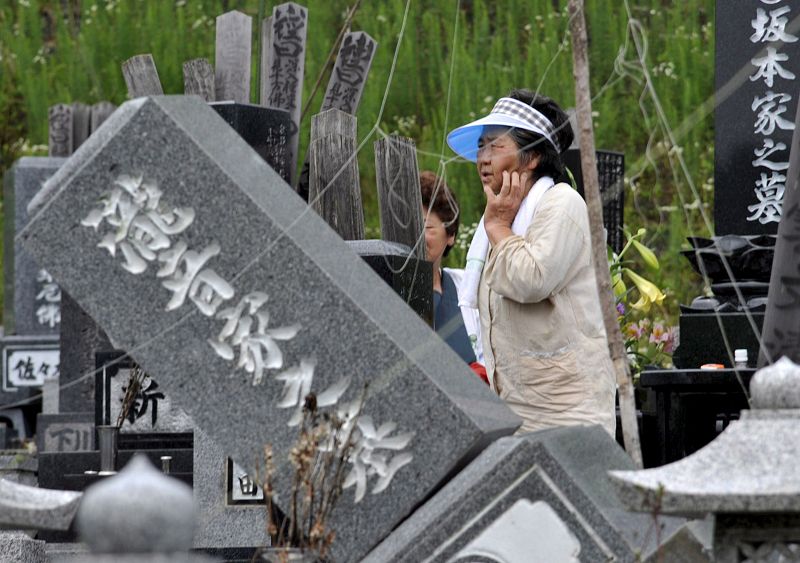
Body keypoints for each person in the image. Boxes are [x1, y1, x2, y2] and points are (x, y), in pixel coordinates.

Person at [446, 89, 616, 435]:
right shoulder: (500, 220)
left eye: (496, 145)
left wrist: (498, 227)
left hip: (567, 410)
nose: (483, 157)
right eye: (481, 146)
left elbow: (531, 280)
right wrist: (497, 226)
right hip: (514, 409)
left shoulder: (561, 204)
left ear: (533, 156)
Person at [420, 171, 485, 377]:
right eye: (409, 223)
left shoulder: (466, 285)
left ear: (450, 235)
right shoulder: (388, 290)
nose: (416, 235)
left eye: (427, 226)